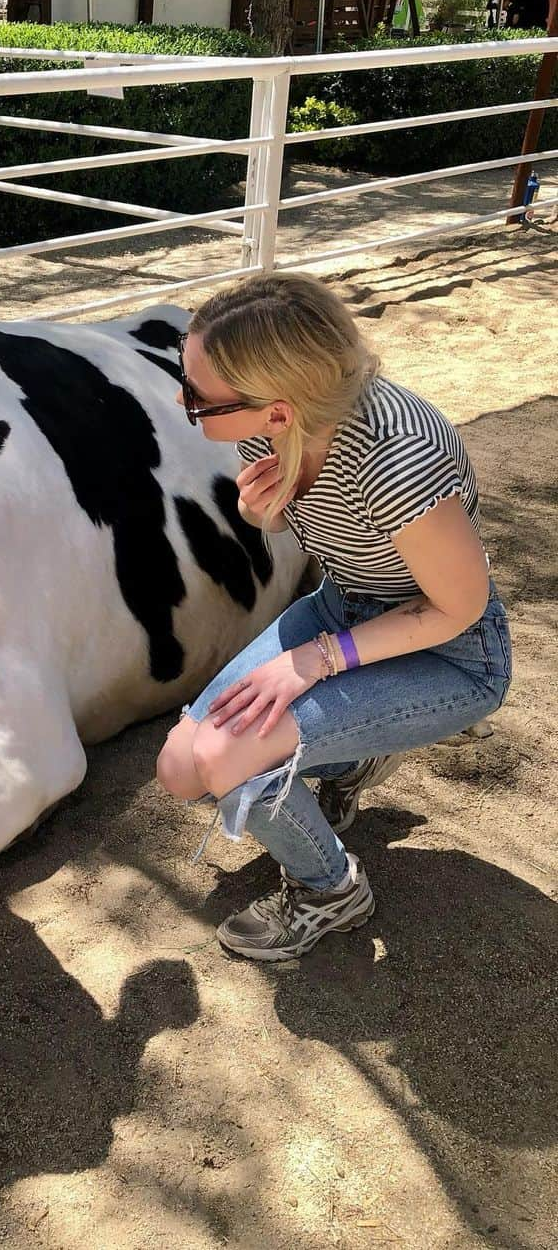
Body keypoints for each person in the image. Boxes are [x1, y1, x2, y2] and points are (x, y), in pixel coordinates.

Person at [156, 273, 511, 962]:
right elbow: (329, 530)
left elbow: (459, 607)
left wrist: (316, 660)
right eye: (184, 372)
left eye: (197, 396)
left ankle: (329, 889)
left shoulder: (399, 459)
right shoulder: (270, 425)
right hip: (344, 607)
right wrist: (268, 515)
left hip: (452, 651)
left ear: (280, 409)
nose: (183, 398)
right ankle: (348, 752)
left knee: (229, 758)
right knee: (179, 767)